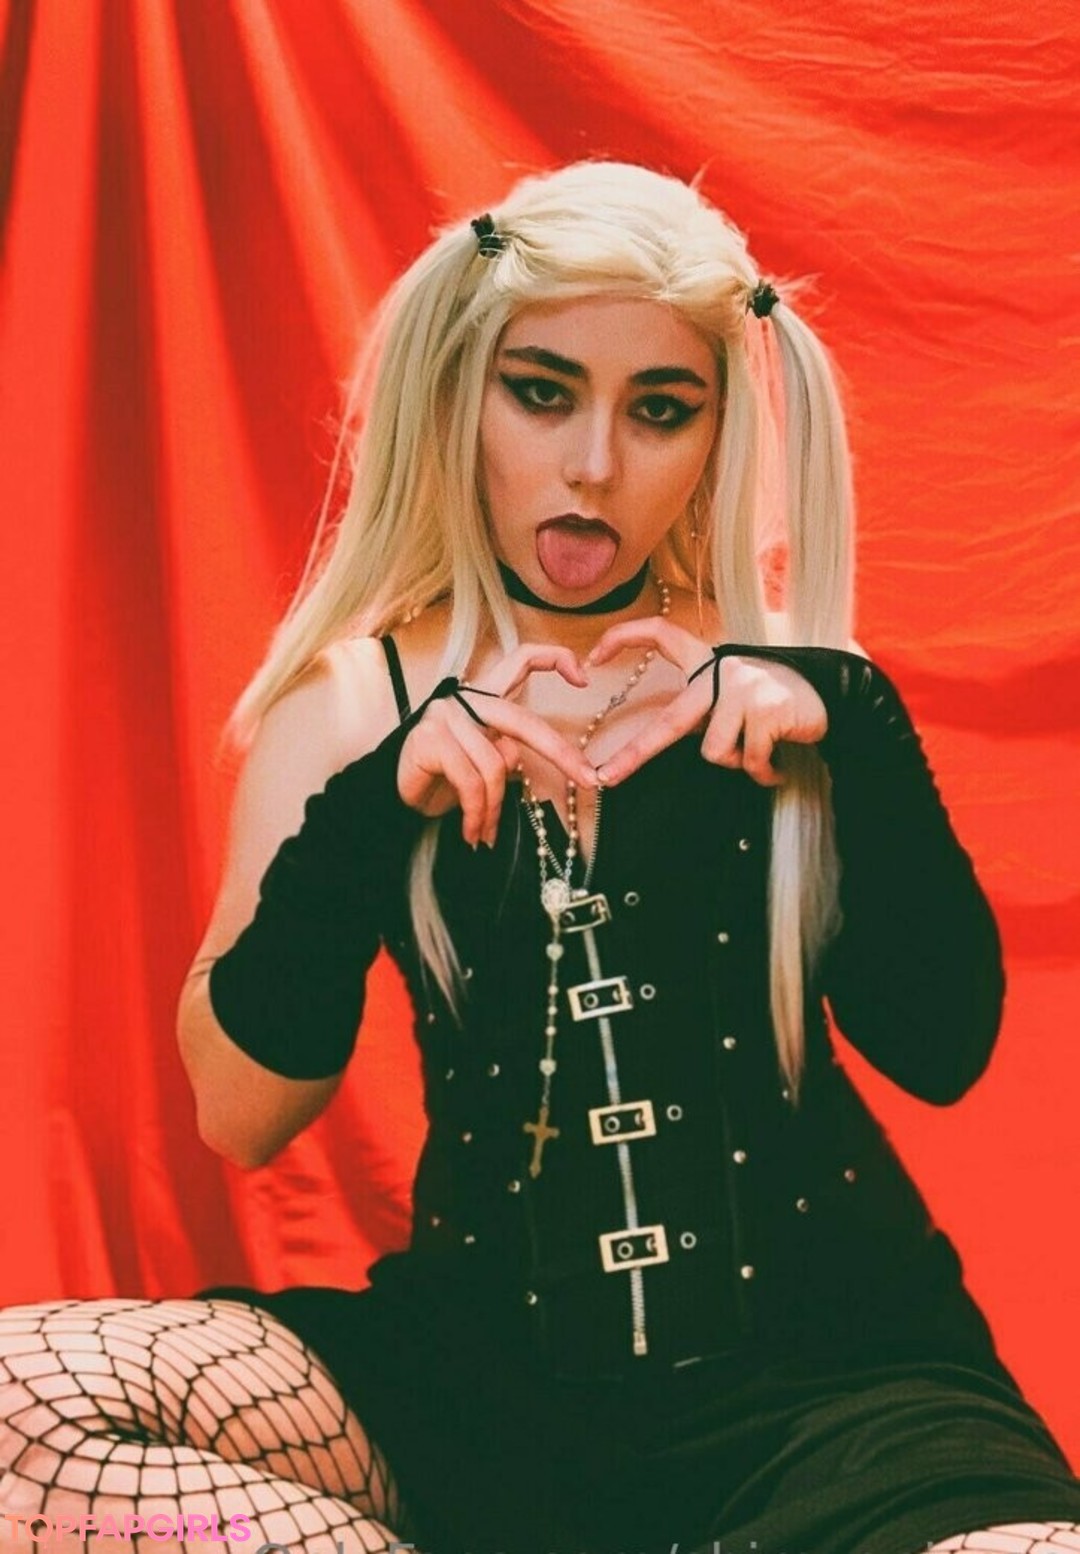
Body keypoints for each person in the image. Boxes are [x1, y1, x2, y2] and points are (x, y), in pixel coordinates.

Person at [1, 160, 1078, 1554]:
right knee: (19, 1410)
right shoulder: (354, 706)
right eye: (543, 391)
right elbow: (239, 1113)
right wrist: (369, 811)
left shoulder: (789, 687)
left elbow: (941, 1050)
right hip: (482, 1387)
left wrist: (860, 730)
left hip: (839, 1383)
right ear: (465, 396)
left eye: (660, 409)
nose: (594, 464)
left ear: (716, 434)